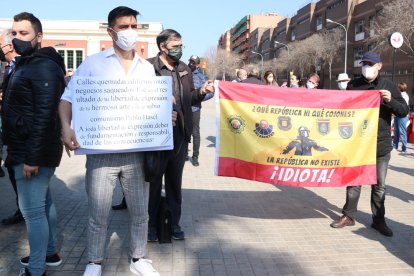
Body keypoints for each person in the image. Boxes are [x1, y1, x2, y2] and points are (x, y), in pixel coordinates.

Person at [59, 6, 160, 276]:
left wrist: (166, 113)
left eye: (134, 26)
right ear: (110, 31)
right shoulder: (93, 64)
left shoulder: (147, 69)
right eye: (124, 26)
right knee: (98, 214)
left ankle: (138, 258)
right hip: (100, 153)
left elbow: (153, 107)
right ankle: (94, 261)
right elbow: (67, 99)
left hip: (137, 154)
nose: (130, 32)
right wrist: (66, 127)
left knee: (140, 212)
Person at [1, 12, 66, 276]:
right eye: (14, 33)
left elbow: (44, 116)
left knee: (32, 213)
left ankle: (36, 270)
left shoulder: (42, 66)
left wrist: (32, 158)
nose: (17, 38)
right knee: (43, 204)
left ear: (38, 37)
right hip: (25, 148)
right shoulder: (27, 63)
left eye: (23, 33)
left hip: (32, 153)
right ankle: (49, 253)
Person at [330, 52, 409, 237]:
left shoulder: (388, 86)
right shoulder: (354, 85)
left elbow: (403, 111)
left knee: (379, 185)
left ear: (379, 66)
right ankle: (348, 215)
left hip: (380, 145)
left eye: (371, 64)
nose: (367, 67)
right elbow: (343, 110)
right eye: (364, 64)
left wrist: (390, 101)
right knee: (354, 181)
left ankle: (379, 221)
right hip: (358, 144)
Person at [146, 29, 214, 242]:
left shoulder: (184, 69)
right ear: (162, 47)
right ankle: (150, 225)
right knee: (153, 183)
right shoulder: (147, 68)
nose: (179, 50)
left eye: (181, 46)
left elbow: (189, 99)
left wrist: (201, 92)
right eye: (175, 47)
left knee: (175, 183)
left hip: (180, 136)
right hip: (154, 137)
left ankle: (173, 223)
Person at [0, 29, 24, 226]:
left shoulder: (24, 66)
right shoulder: (8, 67)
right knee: (12, 172)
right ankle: (21, 209)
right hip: (11, 135)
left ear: (9, 46)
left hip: (23, 136)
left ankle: (25, 211)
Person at [188, 54, 214, 166]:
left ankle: (195, 156)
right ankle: (183, 154)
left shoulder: (202, 77)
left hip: (195, 109)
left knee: (195, 133)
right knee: (184, 132)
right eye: (190, 61)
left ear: (198, 64)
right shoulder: (183, 72)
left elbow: (211, 93)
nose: (191, 64)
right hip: (183, 108)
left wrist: (201, 97)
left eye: (193, 62)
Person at [393, 82, 410, 154]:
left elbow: (402, 106)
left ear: (400, 88)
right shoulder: (400, 95)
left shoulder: (404, 96)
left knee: (402, 132)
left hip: (402, 116)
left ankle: (404, 148)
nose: (397, 88)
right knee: (396, 131)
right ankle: (394, 146)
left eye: (398, 87)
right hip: (397, 115)